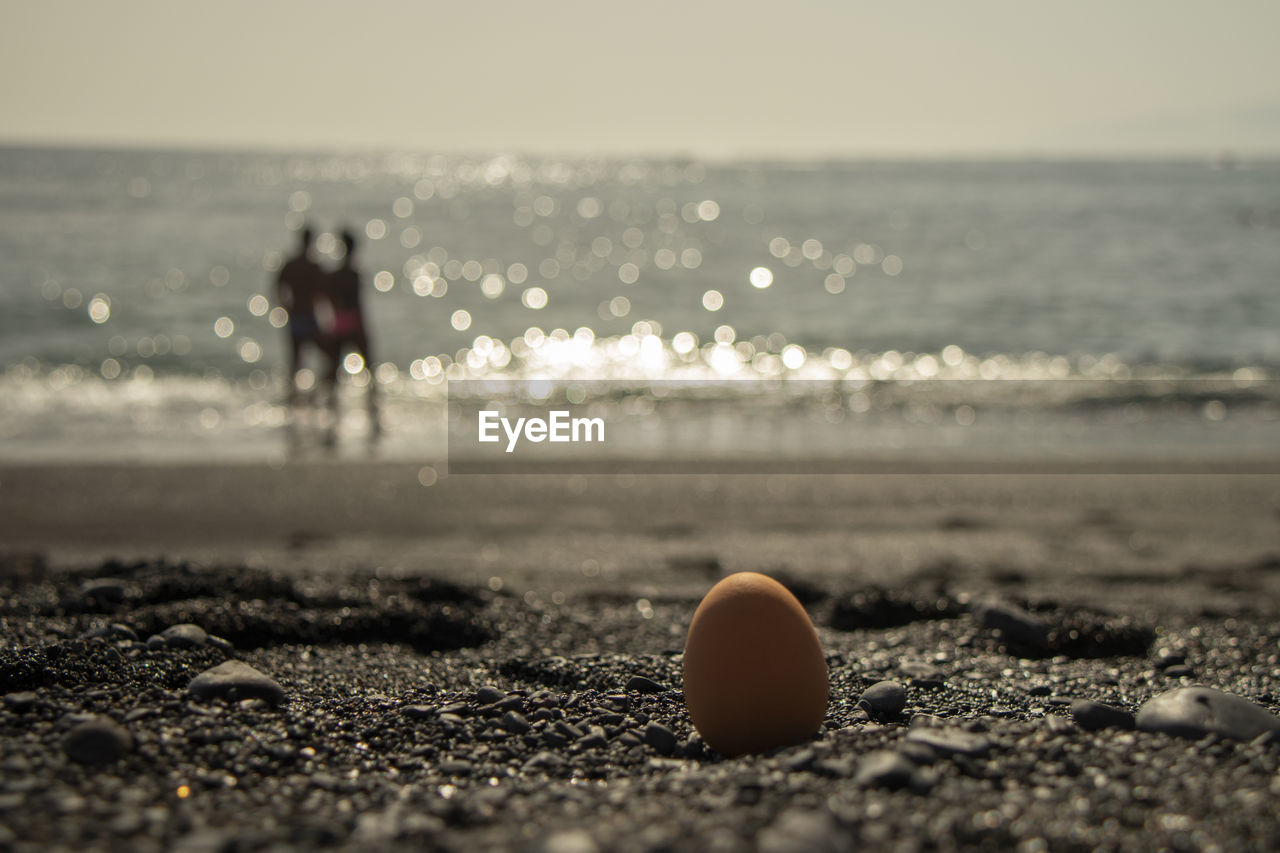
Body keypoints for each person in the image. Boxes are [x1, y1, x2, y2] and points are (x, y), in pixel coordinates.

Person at [323, 228, 380, 435]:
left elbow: (327, 298)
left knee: (334, 369)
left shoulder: (334, 275)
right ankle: (373, 407)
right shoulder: (353, 274)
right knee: (369, 368)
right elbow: (358, 305)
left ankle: (329, 408)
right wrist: (362, 327)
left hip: (339, 320)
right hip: (354, 321)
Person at [274, 226, 333, 404]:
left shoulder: (291, 265)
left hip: (295, 317)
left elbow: (277, 287)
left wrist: (286, 306)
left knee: (295, 361)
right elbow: (325, 295)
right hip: (307, 317)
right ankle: (314, 395)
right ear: (312, 241)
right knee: (329, 357)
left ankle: (293, 398)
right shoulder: (314, 267)